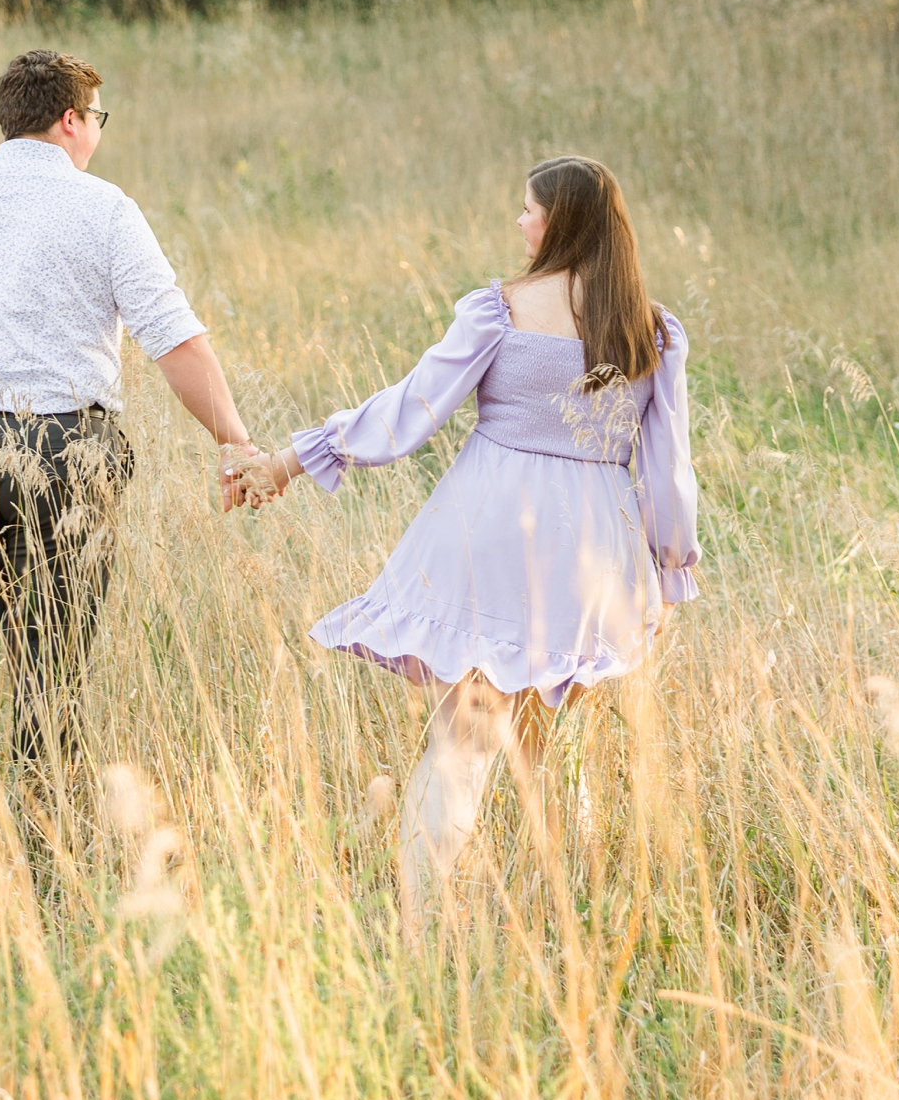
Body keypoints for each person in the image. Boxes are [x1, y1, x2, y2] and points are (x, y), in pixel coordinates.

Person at [233, 155, 700, 934]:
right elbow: (668, 463)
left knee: (465, 740)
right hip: (593, 551)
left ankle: (422, 931)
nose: (519, 224)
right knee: (537, 742)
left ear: (560, 222)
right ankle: (540, 917)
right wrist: (670, 563)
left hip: (495, 530)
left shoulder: (501, 310)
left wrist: (292, 457)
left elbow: (412, 409)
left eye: (528, 210)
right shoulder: (651, 327)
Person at [0, 47, 260, 768]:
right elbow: (172, 337)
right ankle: (46, 823)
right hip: (66, 448)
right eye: (97, 118)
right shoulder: (103, 208)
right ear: (69, 121)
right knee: (51, 644)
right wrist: (232, 438)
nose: (96, 132)